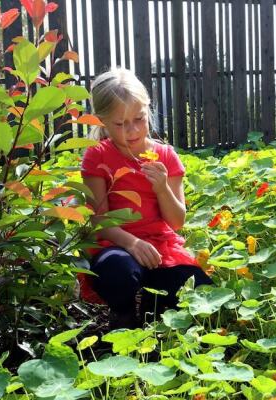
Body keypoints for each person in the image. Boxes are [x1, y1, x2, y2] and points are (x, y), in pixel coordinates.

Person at [81, 68, 212, 329]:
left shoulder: (165, 155)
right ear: (102, 122)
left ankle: (156, 317)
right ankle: (124, 315)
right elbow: (99, 220)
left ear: (147, 111)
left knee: (194, 284)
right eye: (120, 124)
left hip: (160, 246)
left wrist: (162, 188)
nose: (132, 130)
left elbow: (176, 222)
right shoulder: (97, 156)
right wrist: (132, 243)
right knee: (117, 271)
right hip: (115, 244)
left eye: (139, 119)